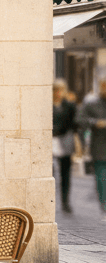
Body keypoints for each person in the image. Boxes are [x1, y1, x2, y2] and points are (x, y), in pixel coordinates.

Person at [76, 78, 106, 216]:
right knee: (101, 176)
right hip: (99, 146)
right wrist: (95, 123)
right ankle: (104, 203)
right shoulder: (92, 104)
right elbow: (81, 119)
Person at [52, 80, 77, 214]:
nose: (58, 93)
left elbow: (74, 124)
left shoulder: (70, 106)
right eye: (56, 89)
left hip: (64, 141)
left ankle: (65, 202)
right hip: (49, 140)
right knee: (50, 172)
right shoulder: (47, 105)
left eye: (61, 90)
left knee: (65, 173)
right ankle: (49, 201)